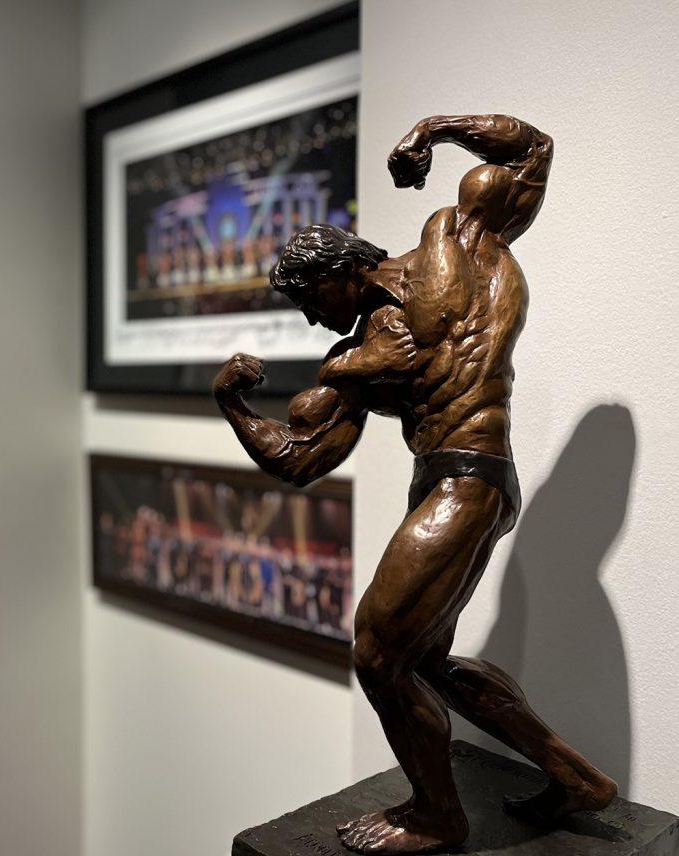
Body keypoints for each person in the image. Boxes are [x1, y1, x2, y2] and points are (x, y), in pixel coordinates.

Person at [214, 114, 616, 854]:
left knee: (376, 652)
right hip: (445, 485)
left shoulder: (451, 244)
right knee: (422, 660)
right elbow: (300, 459)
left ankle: (437, 816)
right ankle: (576, 779)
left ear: (338, 271)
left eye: (310, 300)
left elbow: (532, 150)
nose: (309, 319)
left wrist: (433, 130)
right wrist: (232, 405)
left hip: (473, 478)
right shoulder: (351, 357)